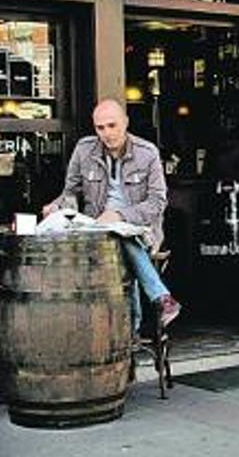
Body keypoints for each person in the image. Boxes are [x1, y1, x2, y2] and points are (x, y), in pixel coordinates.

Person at [43, 99, 181, 331]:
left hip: (141, 231)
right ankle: (159, 302)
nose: (107, 133)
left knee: (120, 238)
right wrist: (56, 207)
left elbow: (157, 202)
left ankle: (133, 326)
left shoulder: (147, 153)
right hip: (96, 230)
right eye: (100, 127)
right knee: (112, 239)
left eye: (112, 125)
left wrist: (120, 215)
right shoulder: (84, 149)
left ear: (125, 123)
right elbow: (71, 193)